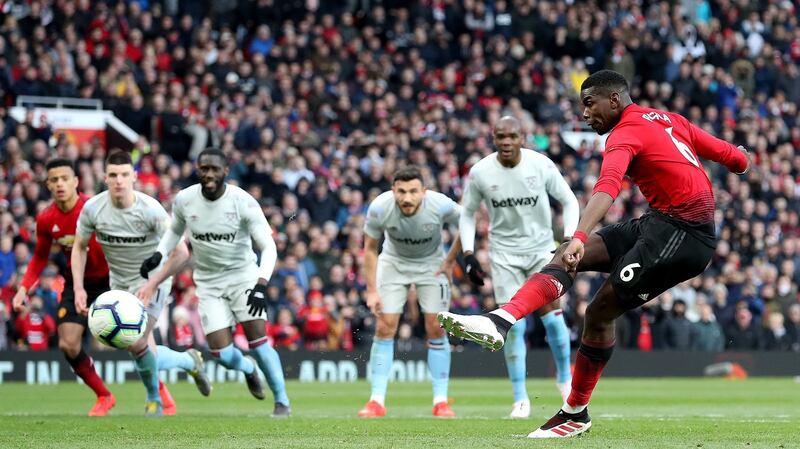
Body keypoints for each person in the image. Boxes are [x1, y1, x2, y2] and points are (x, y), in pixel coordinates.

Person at [437, 70, 750, 438]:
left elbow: (606, 187)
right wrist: (742, 161)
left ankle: (574, 413)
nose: (585, 114)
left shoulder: (624, 134)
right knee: (564, 257)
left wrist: (580, 234)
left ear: (614, 100)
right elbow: (730, 156)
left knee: (598, 311)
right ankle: (501, 320)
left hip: (684, 236)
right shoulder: (670, 119)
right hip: (658, 222)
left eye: (589, 104)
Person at [136, 148, 291, 418]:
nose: (208, 174)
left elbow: (268, 247)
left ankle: (282, 402)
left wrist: (261, 284)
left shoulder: (243, 201)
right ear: (197, 169)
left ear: (225, 171)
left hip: (243, 276)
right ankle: (248, 369)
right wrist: (159, 254)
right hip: (208, 282)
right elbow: (174, 231)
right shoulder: (185, 199)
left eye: (214, 169)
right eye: (204, 168)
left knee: (259, 341)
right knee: (220, 353)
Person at [71, 149, 211, 416]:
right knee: (141, 347)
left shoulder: (151, 210)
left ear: (134, 176)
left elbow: (181, 252)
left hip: (153, 282)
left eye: (124, 174)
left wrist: (152, 284)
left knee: (135, 342)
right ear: (105, 177)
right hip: (120, 284)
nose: (119, 181)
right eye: (113, 175)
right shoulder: (93, 209)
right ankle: (187, 360)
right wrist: (78, 287)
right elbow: (79, 247)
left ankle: (153, 401)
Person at [458, 115, 579, 417]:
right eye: (501, 137)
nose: (507, 142)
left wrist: (567, 239)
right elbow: (467, 212)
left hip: (541, 252)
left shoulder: (540, 165)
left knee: (553, 317)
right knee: (511, 327)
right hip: (504, 256)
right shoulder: (481, 172)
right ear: (494, 138)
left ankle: (565, 381)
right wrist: (469, 252)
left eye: (512, 136)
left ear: (523, 137)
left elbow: (570, 200)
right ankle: (520, 398)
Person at [11, 158, 116, 416]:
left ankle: (157, 392)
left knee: (135, 341)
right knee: (68, 343)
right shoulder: (47, 219)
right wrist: (23, 288)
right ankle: (104, 395)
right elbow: (39, 257)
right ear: (47, 184)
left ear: (76, 182)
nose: (60, 184)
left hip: (111, 280)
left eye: (64, 178)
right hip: (76, 283)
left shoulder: (95, 207)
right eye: (54, 180)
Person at [357, 166, 461, 418]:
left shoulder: (441, 205)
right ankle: (376, 401)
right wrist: (371, 290)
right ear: (393, 191)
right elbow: (370, 248)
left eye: (413, 191)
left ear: (424, 192)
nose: (407, 198)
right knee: (385, 326)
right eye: (401, 191)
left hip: (431, 266)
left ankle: (440, 401)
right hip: (394, 263)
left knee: (436, 327)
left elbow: (467, 223)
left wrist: (450, 260)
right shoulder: (380, 207)